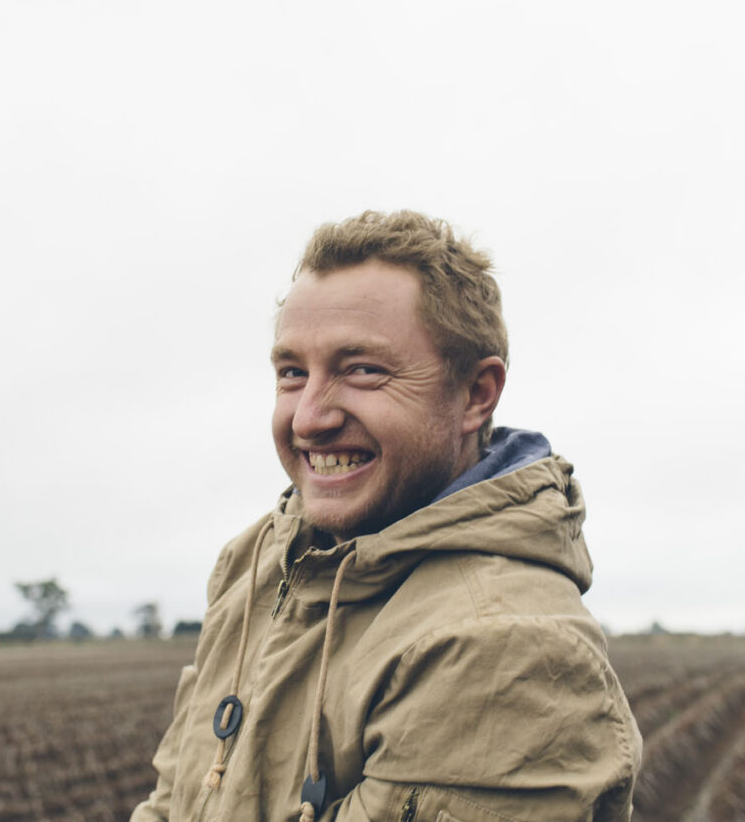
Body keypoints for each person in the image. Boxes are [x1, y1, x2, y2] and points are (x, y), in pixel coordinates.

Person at [131, 210, 641, 822]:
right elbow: (172, 799)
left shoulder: (500, 645)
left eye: (362, 370)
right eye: (293, 372)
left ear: (476, 395)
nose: (308, 418)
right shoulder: (259, 556)